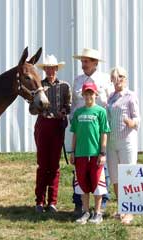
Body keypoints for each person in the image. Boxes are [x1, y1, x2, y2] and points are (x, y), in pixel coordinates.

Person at [70, 48, 113, 216]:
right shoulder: (78, 80)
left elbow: (109, 102)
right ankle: (79, 203)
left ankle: (101, 204)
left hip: (97, 129)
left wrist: (104, 127)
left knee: (100, 166)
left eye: (86, 61)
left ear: (95, 63)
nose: (83, 65)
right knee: (79, 167)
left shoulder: (104, 79)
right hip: (80, 129)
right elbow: (74, 103)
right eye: (82, 62)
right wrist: (73, 121)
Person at [30, 54, 71, 213]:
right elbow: (32, 110)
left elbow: (68, 105)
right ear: (45, 70)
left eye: (53, 68)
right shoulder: (39, 85)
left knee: (54, 165)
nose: (50, 71)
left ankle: (52, 202)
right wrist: (38, 107)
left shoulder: (65, 86)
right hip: (43, 124)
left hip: (57, 125)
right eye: (47, 68)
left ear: (56, 69)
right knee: (42, 165)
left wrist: (64, 111)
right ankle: (39, 201)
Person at [106, 66, 140, 224]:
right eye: (115, 76)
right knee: (115, 177)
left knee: (128, 174)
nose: (118, 79)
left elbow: (137, 119)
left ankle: (130, 211)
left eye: (121, 76)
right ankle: (121, 208)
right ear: (112, 79)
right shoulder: (111, 97)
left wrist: (131, 122)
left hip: (127, 141)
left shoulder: (131, 96)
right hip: (112, 142)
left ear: (125, 79)